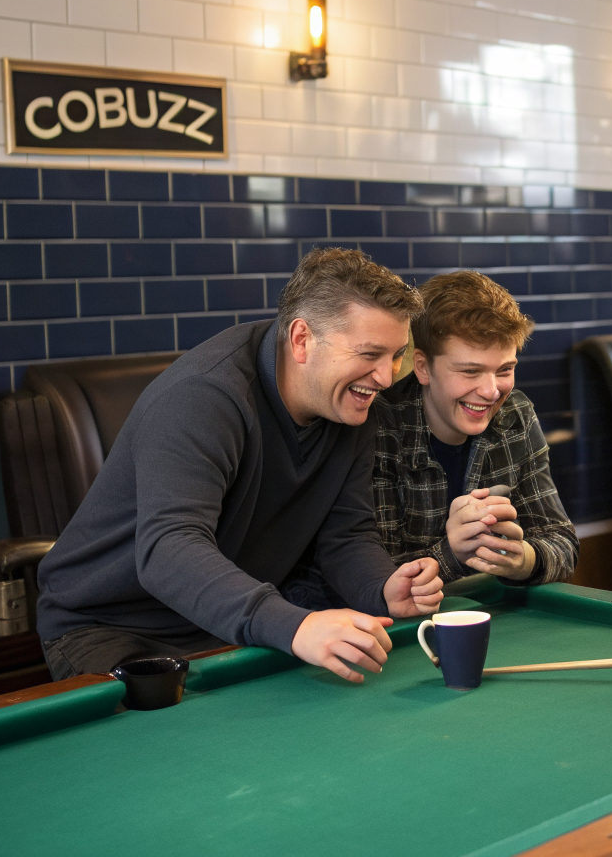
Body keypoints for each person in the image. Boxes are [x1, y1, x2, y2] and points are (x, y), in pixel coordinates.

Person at [36, 248, 444, 685]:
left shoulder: (350, 404)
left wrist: (383, 587)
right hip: (110, 627)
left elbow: (346, 535)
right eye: (369, 354)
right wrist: (296, 626)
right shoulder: (204, 397)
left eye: (397, 354)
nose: (386, 377)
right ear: (302, 339)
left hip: (218, 623)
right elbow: (168, 549)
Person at [283, 270, 577, 608]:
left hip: (473, 614)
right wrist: (453, 552)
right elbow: (368, 577)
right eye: (470, 371)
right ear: (422, 367)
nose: (491, 390)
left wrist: (522, 559)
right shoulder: (374, 424)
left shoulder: (517, 415)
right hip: (355, 626)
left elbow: (562, 541)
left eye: (504, 370)